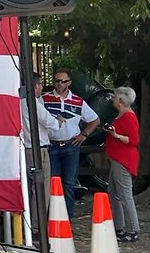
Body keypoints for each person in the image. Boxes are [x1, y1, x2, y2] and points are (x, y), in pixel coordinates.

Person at [41, 67, 98, 219]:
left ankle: (67, 218)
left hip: (70, 146)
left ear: (69, 83)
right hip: (51, 145)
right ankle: (52, 218)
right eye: (57, 81)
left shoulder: (78, 101)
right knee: (52, 183)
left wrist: (84, 135)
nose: (59, 84)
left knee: (69, 184)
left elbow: (94, 119)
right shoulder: (45, 99)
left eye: (63, 81)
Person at [21, 76, 63, 222]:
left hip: (25, 148)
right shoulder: (32, 102)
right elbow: (46, 120)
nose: (41, 87)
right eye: (40, 84)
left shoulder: (19, 102)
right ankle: (38, 224)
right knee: (41, 188)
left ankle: (30, 222)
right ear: (35, 86)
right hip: (38, 149)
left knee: (29, 187)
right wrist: (58, 121)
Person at [105, 86, 141, 242]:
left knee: (125, 195)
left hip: (123, 160)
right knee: (113, 193)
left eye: (115, 97)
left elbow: (133, 140)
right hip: (116, 158)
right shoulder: (121, 116)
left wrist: (116, 135)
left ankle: (133, 229)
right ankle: (119, 226)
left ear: (120, 100)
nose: (113, 100)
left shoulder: (129, 117)